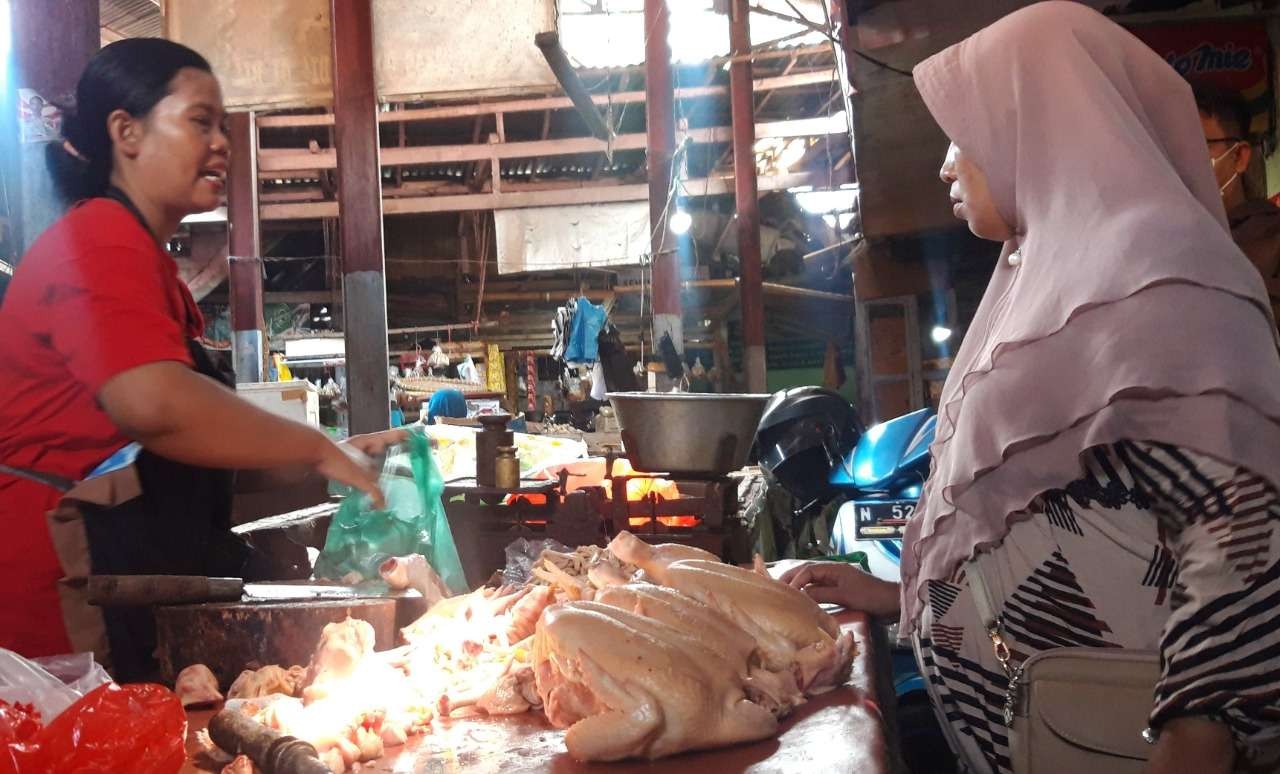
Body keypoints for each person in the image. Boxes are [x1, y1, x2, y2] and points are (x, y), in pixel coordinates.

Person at [782, 5, 1280, 774]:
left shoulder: (1164, 287)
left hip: (1118, 744)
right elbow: (1021, 509)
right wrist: (896, 594)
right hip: (1026, 733)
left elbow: (1242, 531)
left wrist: (1198, 733)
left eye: (965, 135)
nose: (947, 164)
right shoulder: (1036, 279)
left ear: (1047, 127)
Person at [0, 39, 400, 678]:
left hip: (122, 579)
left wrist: (334, 452)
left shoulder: (149, 266)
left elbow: (188, 454)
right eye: (199, 121)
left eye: (223, 125)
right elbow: (155, 406)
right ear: (126, 132)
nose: (222, 143)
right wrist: (316, 449)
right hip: (65, 598)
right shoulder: (98, 239)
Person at [1194, 81, 1280, 324]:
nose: (1184, 161)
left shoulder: (1273, 236)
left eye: (1199, 147)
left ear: (1239, 157)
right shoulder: (1167, 242)